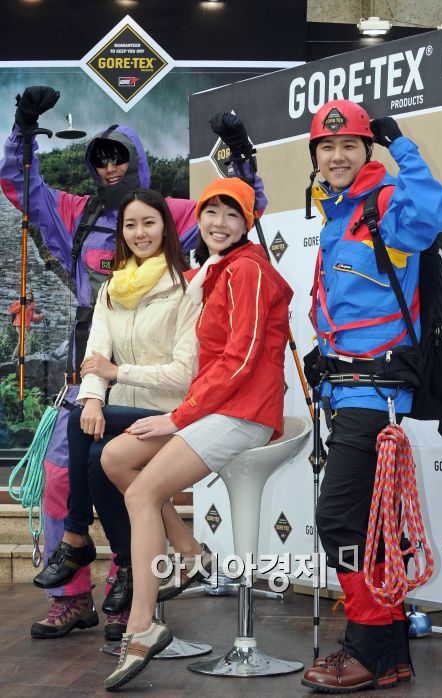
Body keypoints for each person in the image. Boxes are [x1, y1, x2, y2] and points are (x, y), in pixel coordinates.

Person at [0, 86, 198, 641]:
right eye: (101, 159)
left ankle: (127, 591)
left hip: (148, 379)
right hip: (90, 366)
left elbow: (232, 215)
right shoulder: (75, 212)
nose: (110, 168)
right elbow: (19, 183)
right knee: (61, 477)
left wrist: (241, 163)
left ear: (138, 163)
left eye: (120, 157)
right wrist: (23, 128)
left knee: (117, 477)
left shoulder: (171, 212)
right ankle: (71, 597)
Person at [99, 176, 293, 691]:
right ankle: (188, 552)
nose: (219, 223)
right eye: (211, 212)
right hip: (214, 409)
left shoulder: (248, 270)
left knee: (141, 492)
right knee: (115, 458)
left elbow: (241, 361)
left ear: (248, 222)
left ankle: (141, 626)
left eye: (232, 214)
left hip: (244, 413)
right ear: (198, 218)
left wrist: (178, 416)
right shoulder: (212, 271)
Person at [300, 100, 442, 693]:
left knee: (337, 521)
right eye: (326, 147)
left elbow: (430, 214)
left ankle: (365, 645)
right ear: (315, 156)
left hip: (376, 395)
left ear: (367, 150)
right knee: (369, 528)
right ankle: (388, 654)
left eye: (349, 146)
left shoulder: (384, 204)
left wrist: (402, 145)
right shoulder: (335, 217)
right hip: (345, 393)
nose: (337, 156)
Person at [31, 188, 201, 629]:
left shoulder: (187, 287)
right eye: (131, 225)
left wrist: (117, 373)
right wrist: (92, 397)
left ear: (166, 228)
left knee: (90, 445)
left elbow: (183, 374)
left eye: (149, 222)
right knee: (90, 446)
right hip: (122, 413)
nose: (140, 232)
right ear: (121, 233)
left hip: (170, 414)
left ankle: (79, 539)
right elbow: (95, 356)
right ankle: (122, 563)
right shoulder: (111, 289)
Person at [9, 290, 44, 360]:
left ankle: (14, 358)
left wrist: (40, 316)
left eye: (30, 295)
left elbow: (32, 318)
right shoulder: (19, 302)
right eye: (28, 294)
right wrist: (21, 305)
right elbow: (11, 310)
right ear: (24, 295)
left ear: (32, 297)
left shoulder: (31, 307)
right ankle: (27, 356)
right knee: (28, 339)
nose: (29, 295)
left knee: (21, 342)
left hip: (25, 326)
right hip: (19, 325)